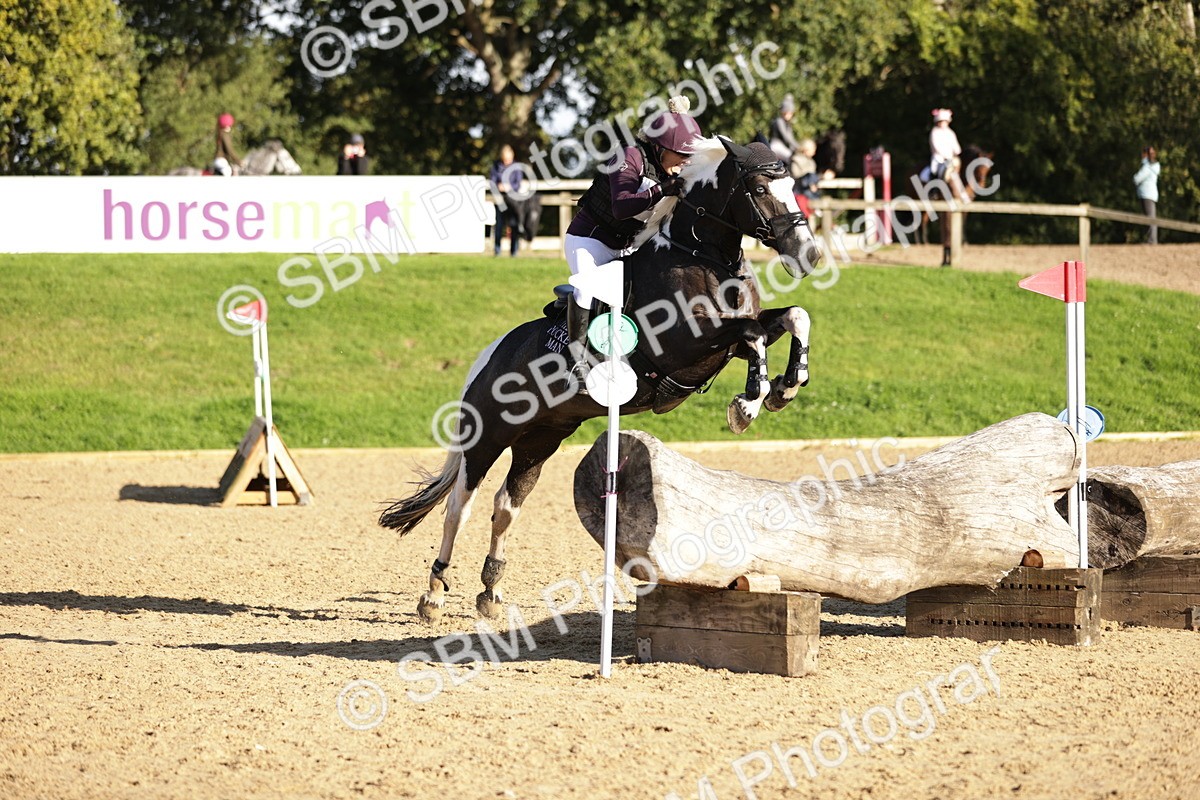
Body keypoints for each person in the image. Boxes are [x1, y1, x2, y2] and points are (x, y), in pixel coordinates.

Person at [563, 95, 701, 393]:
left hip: (629, 246)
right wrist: (665, 189)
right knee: (587, 288)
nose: (685, 162)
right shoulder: (628, 156)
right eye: (680, 154)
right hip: (590, 240)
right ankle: (576, 362)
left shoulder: (677, 171)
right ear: (660, 147)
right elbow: (621, 207)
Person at [489, 144, 523, 256]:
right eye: (505, 159)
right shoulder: (496, 165)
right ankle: (497, 251)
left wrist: (509, 187)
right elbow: (492, 181)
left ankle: (514, 252)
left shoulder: (517, 167)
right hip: (501, 199)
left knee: (514, 225)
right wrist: (498, 186)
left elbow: (518, 184)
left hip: (513, 200)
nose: (507, 161)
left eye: (508, 159)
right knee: (499, 225)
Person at [924, 108, 965, 199]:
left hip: (951, 159)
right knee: (934, 171)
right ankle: (933, 191)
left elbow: (956, 146)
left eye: (944, 121)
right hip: (938, 158)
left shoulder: (950, 133)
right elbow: (935, 146)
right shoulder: (935, 132)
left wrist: (958, 152)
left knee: (956, 173)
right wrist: (944, 156)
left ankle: (962, 193)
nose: (943, 123)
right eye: (941, 121)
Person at [768, 95, 800, 176]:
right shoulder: (779, 121)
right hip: (775, 145)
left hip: (781, 145)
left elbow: (791, 138)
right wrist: (798, 147)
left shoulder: (787, 123)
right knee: (791, 158)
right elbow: (786, 137)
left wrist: (796, 147)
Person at [1134, 146, 1160, 244]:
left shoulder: (1148, 167)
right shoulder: (1152, 166)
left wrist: (1135, 177)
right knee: (1149, 217)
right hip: (1148, 194)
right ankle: (1151, 239)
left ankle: (1152, 240)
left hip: (1147, 194)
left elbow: (1137, 178)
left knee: (1150, 218)